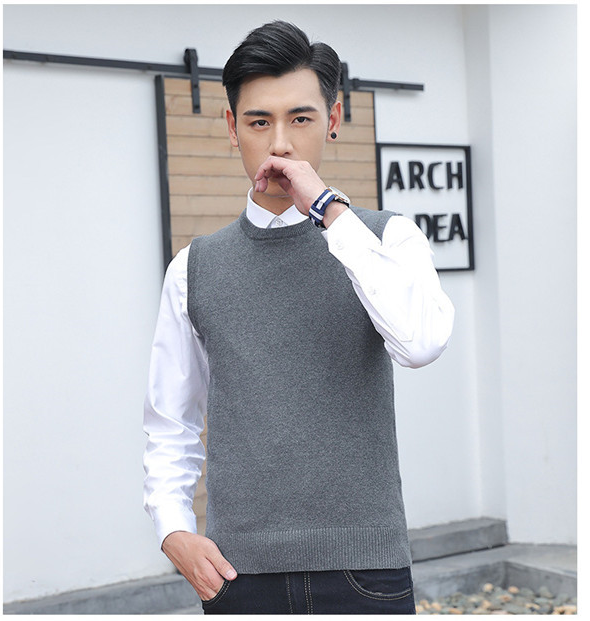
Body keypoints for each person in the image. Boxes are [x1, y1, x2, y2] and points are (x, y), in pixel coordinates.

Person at [143, 20, 454, 615]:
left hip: (366, 568)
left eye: (301, 119)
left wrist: (329, 210)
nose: (280, 144)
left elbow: (421, 343)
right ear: (232, 128)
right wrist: (173, 529)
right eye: (259, 122)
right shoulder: (193, 268)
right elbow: (170, 422)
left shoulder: (388, 239)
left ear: (333, 120)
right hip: (239, 574)